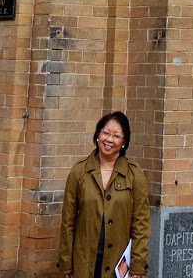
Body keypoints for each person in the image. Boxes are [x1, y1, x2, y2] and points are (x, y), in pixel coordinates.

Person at [59, 110, 150, 278]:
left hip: (117, 262)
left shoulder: (134, 174)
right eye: (105, 133)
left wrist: (138, 265)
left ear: (124, 142)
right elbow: (67, 222)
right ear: (97, 135)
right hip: (84, 261)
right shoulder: (79, 172)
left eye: (116, 135)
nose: (109, 139)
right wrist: (66, 264)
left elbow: (141, 223)